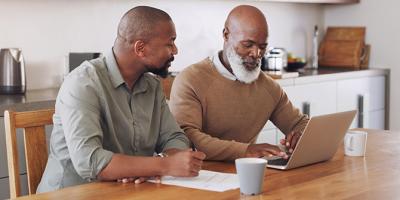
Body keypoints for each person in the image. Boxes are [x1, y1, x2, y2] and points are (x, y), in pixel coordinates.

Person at [37, 6, 205, 193]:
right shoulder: (83, 83)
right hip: (72, 194)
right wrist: (163, 165)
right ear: (140, 48)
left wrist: (153, 165)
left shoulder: (152, 86)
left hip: (126, 192)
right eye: (170, 43)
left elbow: (175, 138)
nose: (175, 50)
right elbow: (90, 162)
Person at [169, 5, 309, 161]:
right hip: (200, 175)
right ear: (226, 35)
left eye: (262, 47)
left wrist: (300, 135)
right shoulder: (191, 79)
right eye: (248, 45)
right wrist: (246, 150)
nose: (256, 54)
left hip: (246, 173)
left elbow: (300, 124)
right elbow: (187, 138)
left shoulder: (269, 87)